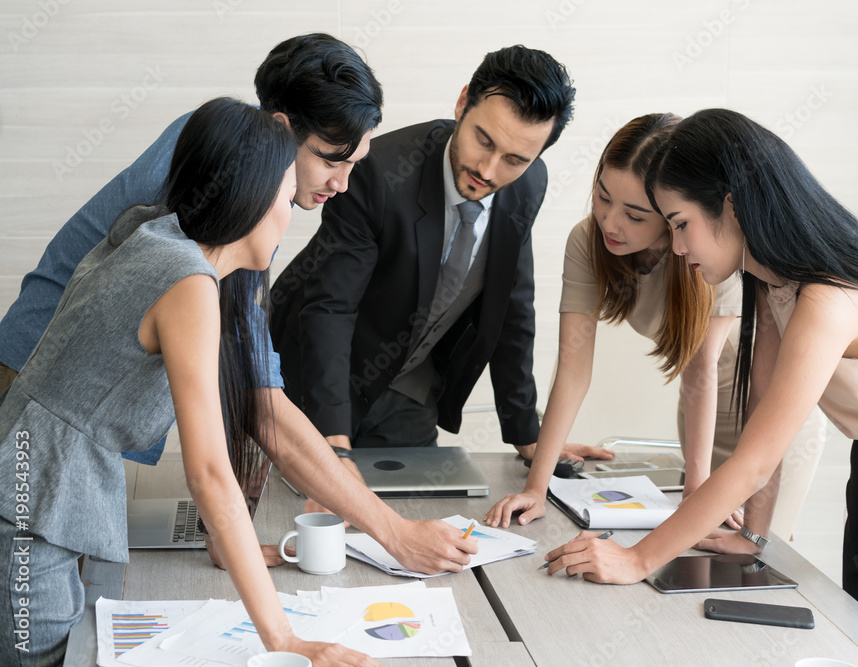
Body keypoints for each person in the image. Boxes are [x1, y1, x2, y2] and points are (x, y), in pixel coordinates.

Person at [0, 98, 476, 667]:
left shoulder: (158, 240)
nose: (291, 211)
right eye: (285, 195)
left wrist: (236, 544)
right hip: (29, 509)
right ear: (247, 193)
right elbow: (208, 474)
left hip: (34, 489)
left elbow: (249, 407)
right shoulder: (187, 282)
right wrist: (287, 641)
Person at [543, 108, 858, 667]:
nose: (677, 246)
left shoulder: (829, 299)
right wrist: (752, 535)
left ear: (730, 205)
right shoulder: (771, 281)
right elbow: (760, 410)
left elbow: (754, 462)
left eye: (681, 223)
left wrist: (637, 560)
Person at [0, 32, 382, 467]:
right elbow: (245, 360)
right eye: (332, 160)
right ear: (281, 127)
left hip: (70, 393)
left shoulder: (248, 178)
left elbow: (234, 346)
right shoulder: (220, 170)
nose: (342, 183)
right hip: (35, 379)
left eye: (354, 164)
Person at [270, 45, 597, 468]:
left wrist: (530, 436)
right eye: (484, 140)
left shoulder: (529, 184)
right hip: (310, 376)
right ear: (463, 103)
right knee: (299, 515)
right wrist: (333, 445)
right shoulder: (378, 173)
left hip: (409, 387)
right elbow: (331, 308)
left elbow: (512, 306)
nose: (490, 170)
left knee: (420, 507)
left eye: (515, 159)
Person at [483, 113, 743, 528]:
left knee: (754, 550)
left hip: (764, 405)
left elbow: (700, 371)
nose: (610, 222)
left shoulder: (710, 248)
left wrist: (698, 486)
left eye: (636, 215)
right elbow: (572, 369)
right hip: (699, 413)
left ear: (673, 214)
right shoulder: (588, 242)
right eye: (604, 197)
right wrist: (537, 486)